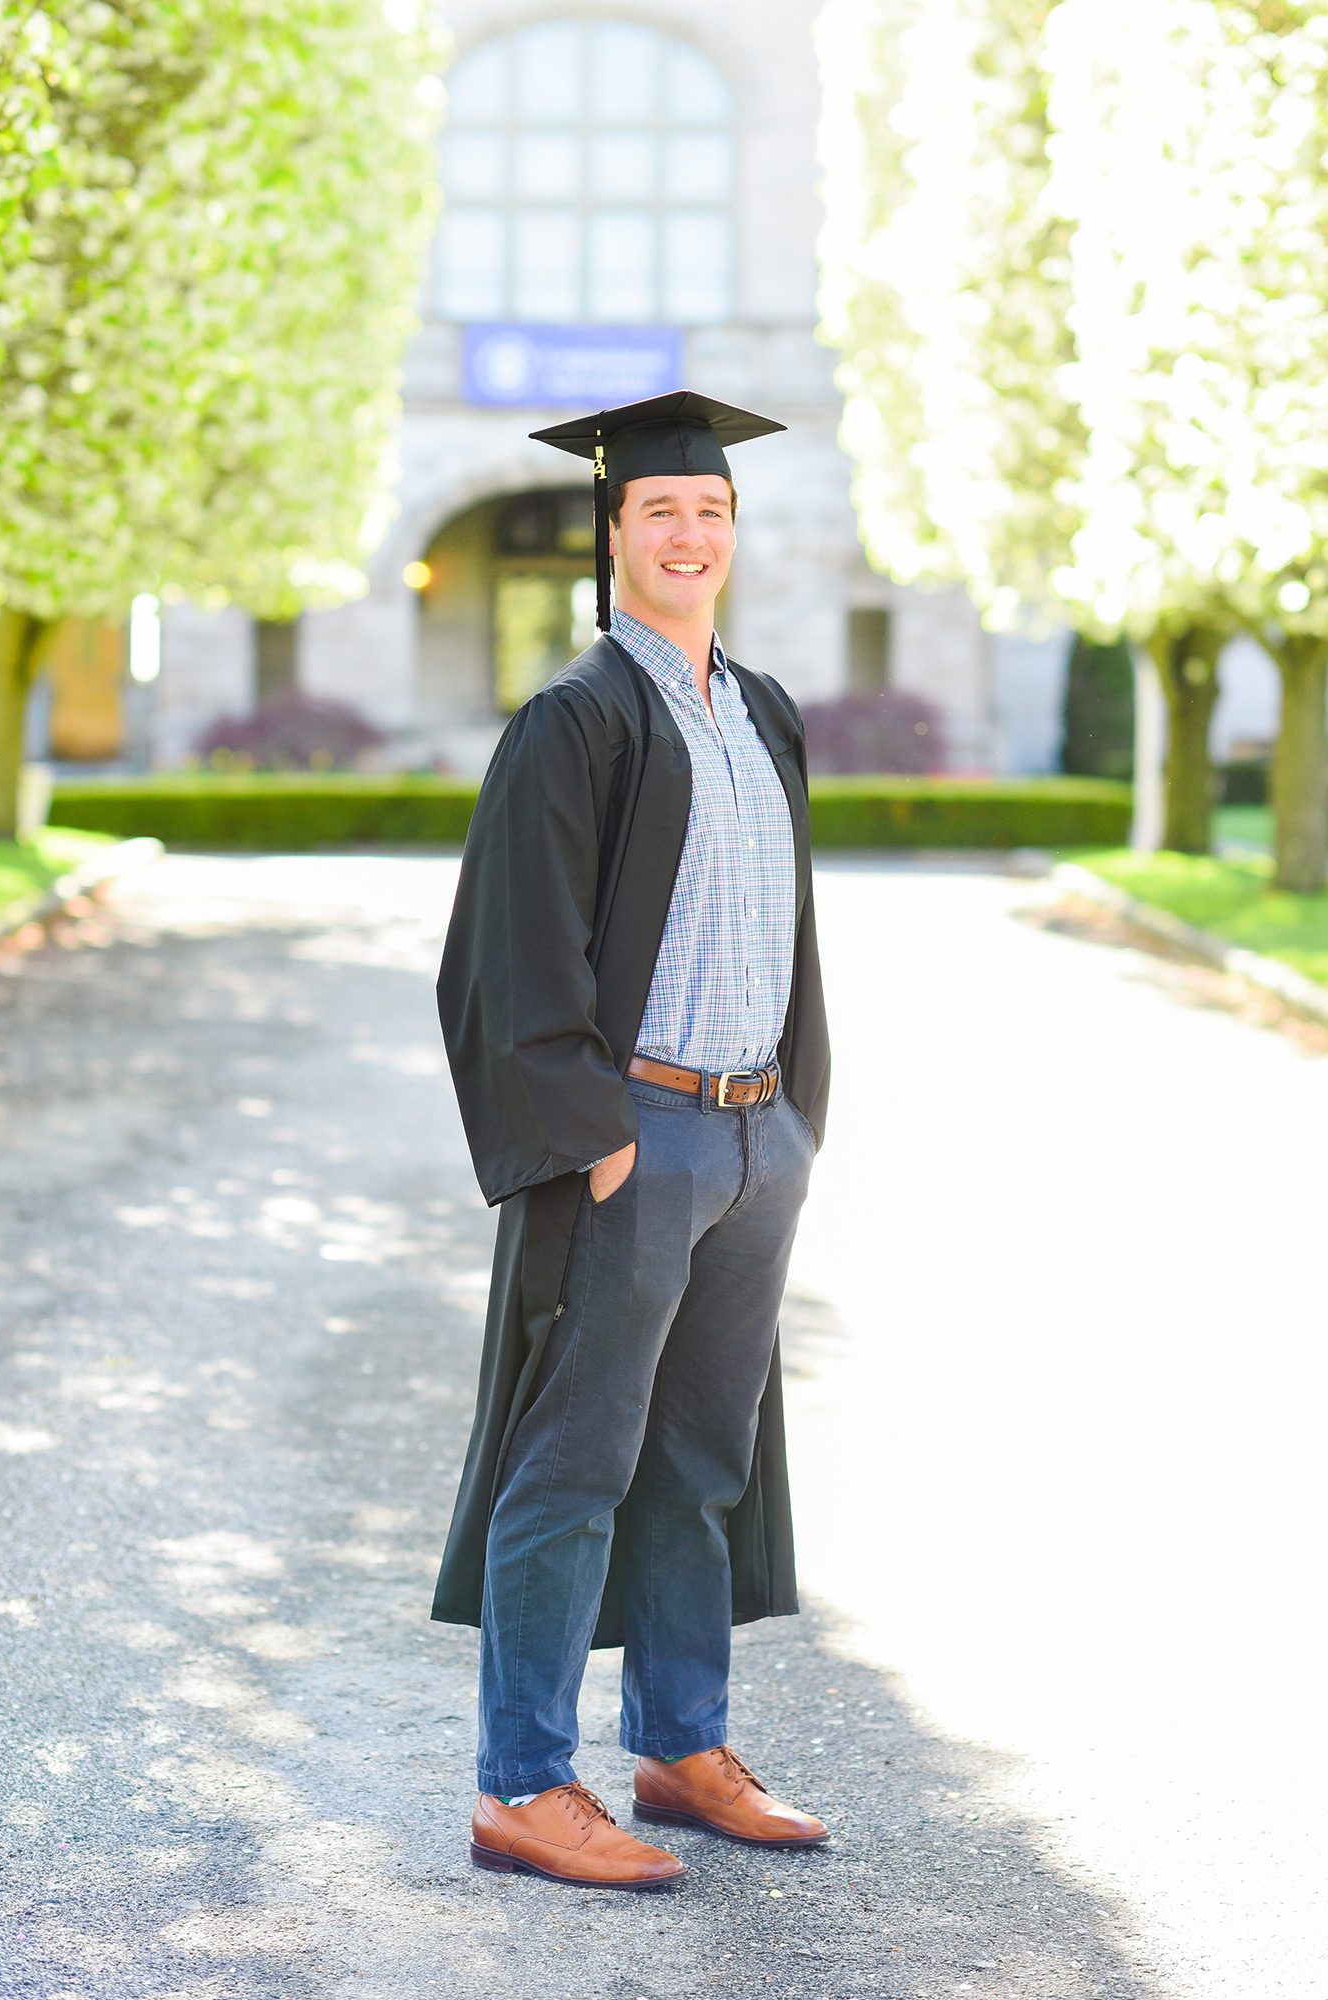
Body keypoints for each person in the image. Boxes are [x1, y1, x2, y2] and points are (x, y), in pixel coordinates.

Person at [432, 389, 832, 1891]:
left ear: (734, 534)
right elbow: (504, 955)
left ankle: (680, 1747)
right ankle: (524, 1785)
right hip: (634, 1137)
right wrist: (587, 1136)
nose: (689, 531)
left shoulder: (763, 707)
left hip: (751, 1139)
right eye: (661, 510)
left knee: (700, 1464)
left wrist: (790, 1119)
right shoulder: (578, 720)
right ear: (613, 536)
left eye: (711, 511)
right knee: (577, 1457)